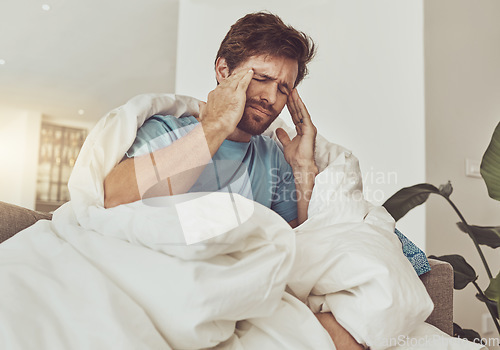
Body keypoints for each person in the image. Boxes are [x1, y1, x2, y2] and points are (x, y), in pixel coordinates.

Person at [103, 12, 363, 350]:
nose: (272, 98)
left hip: (237, 298)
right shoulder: (166, 130)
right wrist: (215, 126)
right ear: (224, 70)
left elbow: (300, 259)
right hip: (162, 284)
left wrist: (303, 168)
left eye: (284, 88)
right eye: (262, 78)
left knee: (349, 331)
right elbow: (114, 198)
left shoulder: (274, 157)